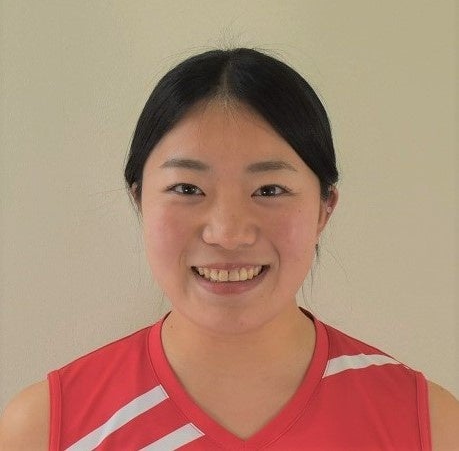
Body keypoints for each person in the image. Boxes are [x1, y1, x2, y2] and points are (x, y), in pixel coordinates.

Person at [0, 48, 457, 450]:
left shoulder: (428, 427)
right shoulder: (46, 430)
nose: (227, 233)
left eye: (270, 190)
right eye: (187, 188)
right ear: (140, 200)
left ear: (324, 208)